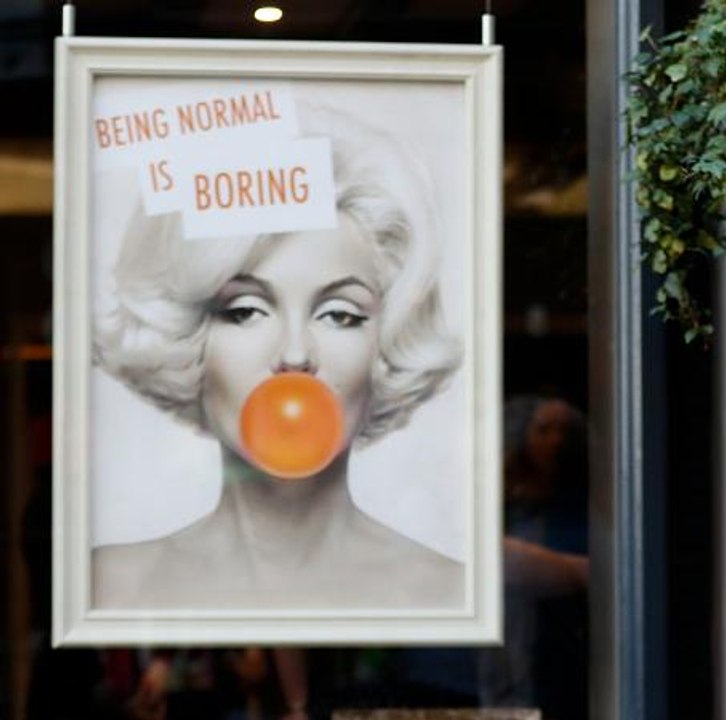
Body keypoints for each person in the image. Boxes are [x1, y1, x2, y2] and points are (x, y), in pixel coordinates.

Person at [91, 103, 465, 610]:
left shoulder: (449, 593)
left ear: (388, 341)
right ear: (188, 336)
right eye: (245, 311)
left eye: (339, 314)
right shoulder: (111, 586)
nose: (294, 354)